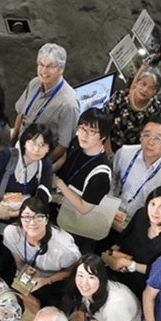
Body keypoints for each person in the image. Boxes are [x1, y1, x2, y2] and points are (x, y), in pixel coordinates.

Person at [104, 186, 161, 298]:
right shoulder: (141, 214)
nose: (154, 211)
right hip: (115, 272)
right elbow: (121, 240)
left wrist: (132, 265)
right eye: (152, 204)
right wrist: (108, 255)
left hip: (139, 287)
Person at [2, 194, 80, 308]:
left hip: (52, 279)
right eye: (26, 217)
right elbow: (19, 261)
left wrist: (47, 280)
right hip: (27, 273)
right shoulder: (11, 233)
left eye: (38, 217)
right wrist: (23, 277)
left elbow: (73, 270)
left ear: (46, 219)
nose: (32, 223)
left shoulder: (65, 249)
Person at [52, 107, 112, 250]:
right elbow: (65, 160)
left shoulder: (101, 173)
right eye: (82, 128)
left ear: (103, 136)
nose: (84, 135)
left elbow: (84, 208)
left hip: (74, 227)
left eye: (92, 131)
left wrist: (59, 184)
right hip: (57, 206)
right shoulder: (77, 144)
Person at [12, 43, 80, 162]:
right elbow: (20, 116)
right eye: (41, 64)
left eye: (50, 66)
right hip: (20, 146)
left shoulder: (69, 104)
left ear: (61, 69)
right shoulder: (34, 83)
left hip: (38, 156)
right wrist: (11, 144)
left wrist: (40, 166)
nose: (43, 71)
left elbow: (63, 146)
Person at [110, 119, 161, 220]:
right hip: (111, 213)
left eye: (158, 139)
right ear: (140, 137)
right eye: (146, 135)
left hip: (141, 224)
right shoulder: (124, 152)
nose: (150, 142)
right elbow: (112, 179)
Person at [105, 67, 161, 151]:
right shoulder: (120, 97)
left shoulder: (156, 109)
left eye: (151, 88)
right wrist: (109, 152)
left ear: (156, 92)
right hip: (109, 142)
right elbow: (103, 123)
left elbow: (150, 135)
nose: (145, 90)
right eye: (143, 84)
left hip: (133, 150)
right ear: (136, 82)